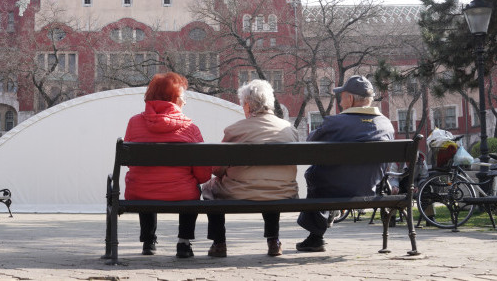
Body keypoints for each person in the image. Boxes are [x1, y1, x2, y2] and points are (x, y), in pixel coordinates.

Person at [296, 74, 394, 253]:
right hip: (369, 189)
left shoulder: (335, 123)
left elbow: (309, 146)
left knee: (312, 174)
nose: (340, 100)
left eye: (342, 96)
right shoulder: (386, 124)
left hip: (333, 190)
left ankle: (316, 237)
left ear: (350, 98)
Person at [203, 79, 298, 258]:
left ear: (247, 105)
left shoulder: (235, 130)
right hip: (282, 191)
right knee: (270, 183)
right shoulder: (289, 129)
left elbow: (217, 169)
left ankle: (219, 243)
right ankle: (273, 241)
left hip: (240, 192)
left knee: (209, 188)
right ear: (270, 102)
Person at [124, 72, 211, 259]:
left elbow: (131, 162)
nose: (185, 102)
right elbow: (203, 174)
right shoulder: (190, 128)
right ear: (174, 99)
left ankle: (148, 241)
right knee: (191, 188)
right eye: (183, 98)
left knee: (146, 181)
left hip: (140, 192)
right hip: (181, 193)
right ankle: (184, 243)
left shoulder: (134, 122)